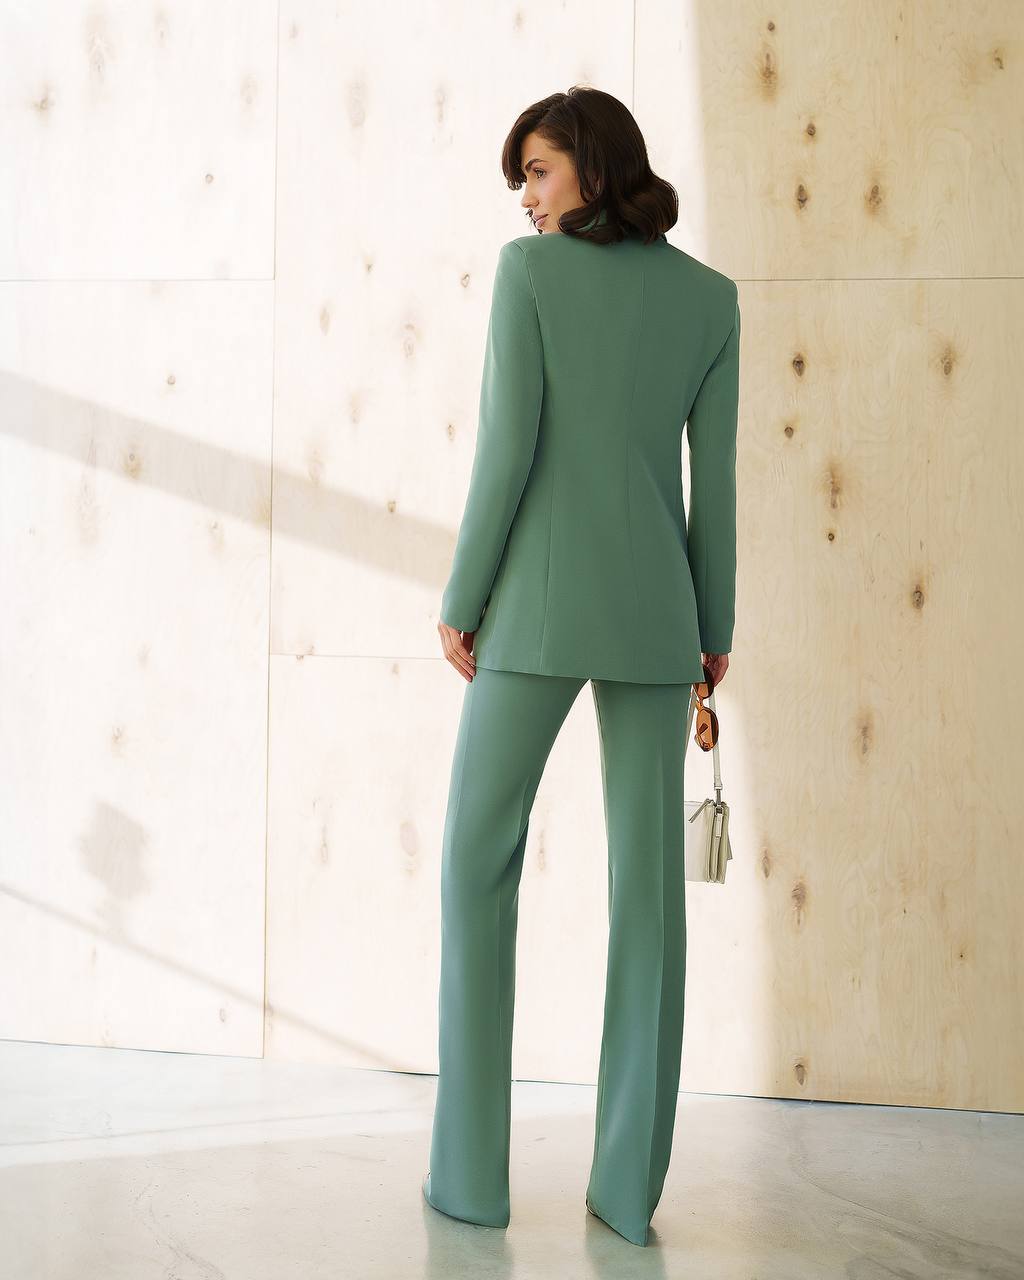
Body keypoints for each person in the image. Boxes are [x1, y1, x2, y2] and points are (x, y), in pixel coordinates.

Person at [422, 85, 739, 1249]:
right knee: (648, 901)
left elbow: (507, 448)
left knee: (473, 859)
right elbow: (717, 487)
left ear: (595, 171)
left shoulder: (530, 275)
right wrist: (715, 624)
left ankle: (469, 1175)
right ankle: (623, 1192)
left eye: (541, 170)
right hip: (661, 620)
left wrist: (462, 601)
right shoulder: (710, 301)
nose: (526, 194)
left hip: (538, 614)